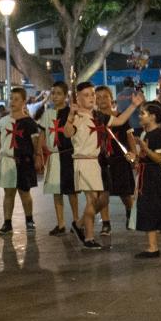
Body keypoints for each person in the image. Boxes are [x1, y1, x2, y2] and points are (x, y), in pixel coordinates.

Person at [0, 87, 42, 235]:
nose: (12, 102)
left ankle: (29, 220)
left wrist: (38, 157)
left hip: (23, 161)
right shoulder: (3, 121)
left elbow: (35, 143)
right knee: (8, 193)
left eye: (16, 99)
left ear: (24, 102)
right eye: (11, 98)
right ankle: (7, 223)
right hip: (7, 160)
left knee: (25, 192)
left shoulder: (30, 123)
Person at [130, 102, 161, 258]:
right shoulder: (146, 134)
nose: (139, 116)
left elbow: (158, 158)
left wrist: (144, 148)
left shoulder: (158, 134)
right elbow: (143, 158)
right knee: (153, 207)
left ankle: (153, 247)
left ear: (153, 117)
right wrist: (134, 158)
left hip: (154, 175)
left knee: (149, 208)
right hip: (146, 174)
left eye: (142, 113)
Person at [64, 83, 107, 250]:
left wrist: (133, 105)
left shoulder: (95, 116)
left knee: (101, 199)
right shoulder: (77, 116)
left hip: (95, 161)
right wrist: (70, 115)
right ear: (78, 98)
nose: (92, 97)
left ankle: (78, 224)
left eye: (92, 94)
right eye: (87, 95)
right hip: (83, 161)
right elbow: (67, 133)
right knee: (92, 199)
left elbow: (118, 120)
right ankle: (89, 238)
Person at [94, 85, 139, 233]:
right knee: (103, 193)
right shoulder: (94, 120)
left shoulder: (120, 117)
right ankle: (106, 223)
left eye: (105, 97)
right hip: (101, 160)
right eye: (98, 97)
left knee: (124, 193)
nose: (102, 100)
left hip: (120, 159)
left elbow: (129, 137)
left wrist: (134, 155)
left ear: (111, 99)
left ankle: (130, 212)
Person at [38, 82, 79, 236]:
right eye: (53, 93)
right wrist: (39, 154)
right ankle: (60, 223)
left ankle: (76, 222)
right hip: (54, 156)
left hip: (68, 155)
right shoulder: (47, 114)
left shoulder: (70, 112)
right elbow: (42, 134)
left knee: (71, 191)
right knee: (56, 190)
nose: (55, 96)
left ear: (65, 95)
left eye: (58, 93)